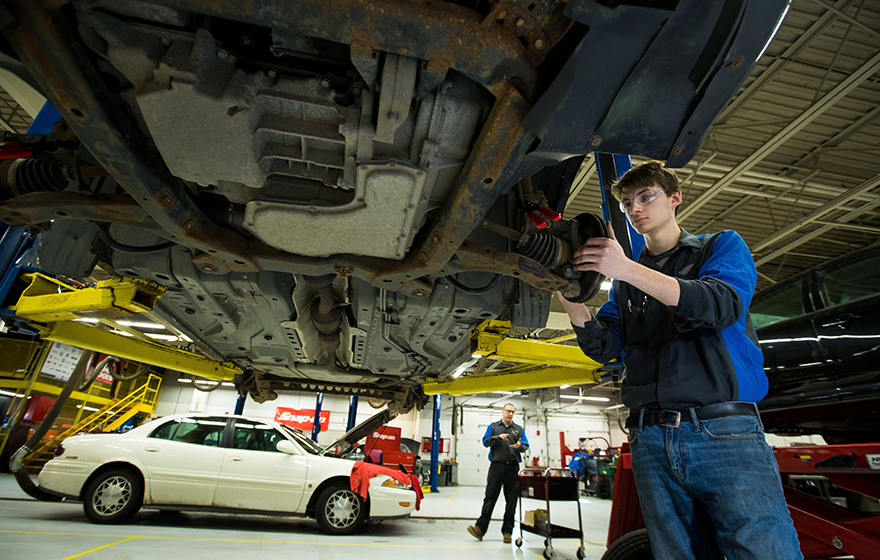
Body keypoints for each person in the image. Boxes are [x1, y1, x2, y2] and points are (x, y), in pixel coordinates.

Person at [557, 160, 802, 559]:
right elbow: (604, 346)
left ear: (675, 198)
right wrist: (569, 294)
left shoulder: (719, 246)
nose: (635, 208)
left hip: (721, 431)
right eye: (627, 203)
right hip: (651, 438)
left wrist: (627, 269)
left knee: (762, 550)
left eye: (646, 196)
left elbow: (718, 304)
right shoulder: (626, 285)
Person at [468, 403, 529, 544]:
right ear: (502, 412)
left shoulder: (518, 430)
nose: (510, 414)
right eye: (508, 411)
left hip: (512, 469)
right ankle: (480, 529)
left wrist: (520, 447)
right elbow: (485, 442)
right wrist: (497, 437)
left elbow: (525, 446)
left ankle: (507, 532)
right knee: (490, 498)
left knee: (511, 501)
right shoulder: (493, 427)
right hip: (496, 468)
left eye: (513, 412)